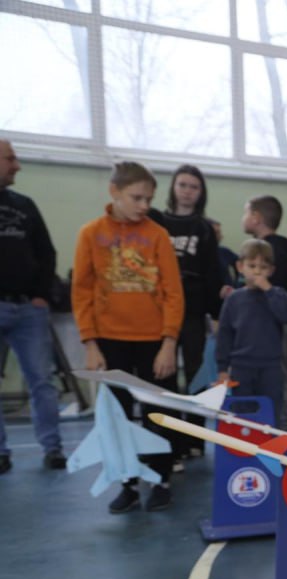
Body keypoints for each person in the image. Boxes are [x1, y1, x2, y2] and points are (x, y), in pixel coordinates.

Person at [73, 161, 184, 513]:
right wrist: (90, 344)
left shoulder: (157, 236)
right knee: (115, 416)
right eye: (136, 198)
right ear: (114, 192)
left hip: (153, 341)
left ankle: (161, 480)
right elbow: (82, 291)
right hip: (110, 342)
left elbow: (172, 292)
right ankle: (128, 484)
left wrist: (169, 342)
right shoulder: (91, 234)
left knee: (158, 413)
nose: (144, 206)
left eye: (148, 199)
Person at [0, 138, 65, 474]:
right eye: (11, 159)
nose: (17, 165)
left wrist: (41, 294)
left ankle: (52, 447)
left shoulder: (24, 205)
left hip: (27, 308)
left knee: (42, 381)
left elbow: (47, 253)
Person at [152, 165, 222, 463]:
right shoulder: (157, 222)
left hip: (193, 312)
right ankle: (169, 441)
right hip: (160, 312)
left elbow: (213, 272)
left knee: (196, 377)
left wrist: (216, 314)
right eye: (183, 185)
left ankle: (194, 438)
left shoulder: (203, 228)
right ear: (173, 188)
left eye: (194, 186)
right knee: (163, 377)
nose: (188, 191)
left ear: (201, 192)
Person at [241, 194, 287, 431]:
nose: (258, 270)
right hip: (258, 324)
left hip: (273, 322)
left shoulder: (276, 249)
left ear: (256, 218)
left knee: (281, 376)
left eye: (246, 212)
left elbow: (272, 290)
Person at [216, 240, 287, 417]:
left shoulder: (278, 294)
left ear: (271, 271)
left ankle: (269, 444)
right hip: (241, 367)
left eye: (263, 267)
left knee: (270, 412)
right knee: (243, 415)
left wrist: (268, 289)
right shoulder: (234, 299)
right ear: (240, 266)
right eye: (252, 266)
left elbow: (286, 315)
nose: (257, 271)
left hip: (270, 366)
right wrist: (222, 369)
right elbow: (225, 335)